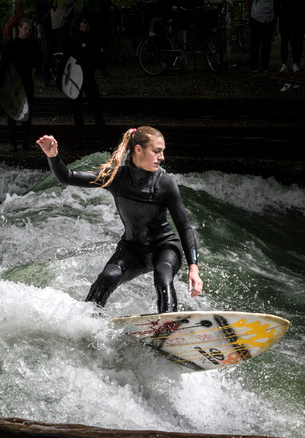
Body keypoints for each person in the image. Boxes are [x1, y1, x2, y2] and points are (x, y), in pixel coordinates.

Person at [35, 127, 203, 314]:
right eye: (157, 151)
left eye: (162, 151)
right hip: (133, 248)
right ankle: (89, 320)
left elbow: (184, 226)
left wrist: (193, 268)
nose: (162, 157)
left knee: (162, 278)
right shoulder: (116, 177)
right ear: (138, 149)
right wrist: (53, 155)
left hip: (164, 247)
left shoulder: (165, 183)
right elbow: (67, 176)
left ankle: (168, 326)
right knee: (109, 276)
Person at [0, 17, 42, 151]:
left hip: (27, 82)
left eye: (29, 29)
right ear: (19, 28)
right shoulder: (11, 45)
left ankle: (26, 142)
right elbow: (2, 65)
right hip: (13, 84)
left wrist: (35, 69)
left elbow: (39, 59)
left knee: (27, 112)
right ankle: (13, 143)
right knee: (12, 113)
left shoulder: (33, 44)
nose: (27, 31)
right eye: (25, 28)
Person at [67, 17, 106, 145]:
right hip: (76, 77)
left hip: (88, 76)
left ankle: (102, 137)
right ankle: (79, 139)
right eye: (82, 27)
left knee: (95, 105)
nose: (84, 29)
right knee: (77, 109)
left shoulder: (93, 40)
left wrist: (91, 65)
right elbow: (67, 58)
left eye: (86, 27)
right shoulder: (73, 39)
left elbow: (99, 58)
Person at [246, 0, 276, 72]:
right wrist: (249, 16)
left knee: (267, 43)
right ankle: (254, 65)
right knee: (255, 43)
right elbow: (248, 1)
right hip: (256, 16)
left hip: (269, 16)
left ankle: (265, 65)